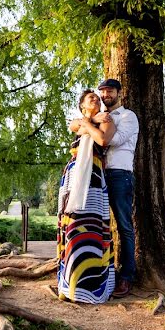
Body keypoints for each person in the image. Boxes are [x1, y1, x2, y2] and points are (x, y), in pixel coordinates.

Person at [56, 90, 117, 303]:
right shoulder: (81, 122)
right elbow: (73, 125)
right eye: (91, 98)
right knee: (72, 226)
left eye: (98, 99)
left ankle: (90, 288)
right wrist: (89, 120)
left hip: (93, 177)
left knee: (90, 227)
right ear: (82, 105)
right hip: (73, 178)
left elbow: (101, 139)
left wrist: (89, 123)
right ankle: (70, 285)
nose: (97, 99)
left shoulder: (106, 121)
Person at [83, 78, 139, 298]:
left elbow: (115, 140)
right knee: (100, 225)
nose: (106, 95)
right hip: (98, 175)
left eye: (110, 91)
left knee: (124, 226)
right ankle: (105, 271)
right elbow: (76, 126)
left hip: (120, 174)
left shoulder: (128, 116)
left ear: (118, 93)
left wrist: (96, 125)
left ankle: (127, 277)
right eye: (103, 91)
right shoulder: (100, 118)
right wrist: (92, 121)